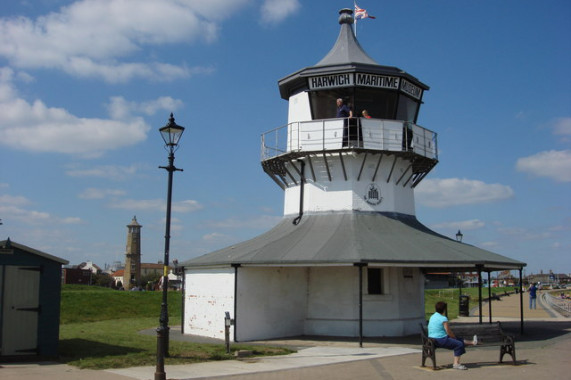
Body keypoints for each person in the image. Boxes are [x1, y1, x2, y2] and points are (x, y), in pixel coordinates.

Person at [428, 301, 478, 370]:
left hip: (432, 339)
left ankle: (473, 342)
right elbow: (448, 331)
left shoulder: (432, 316)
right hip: (441, 340)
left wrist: (453, 337)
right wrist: (453, 337)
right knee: (459, 344)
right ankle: (456, 364)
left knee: (457, 339)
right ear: (444, 309)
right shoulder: (443, 318)